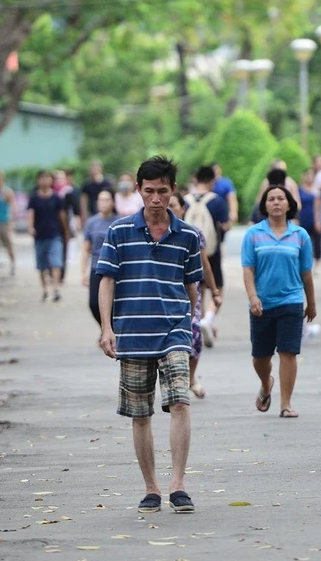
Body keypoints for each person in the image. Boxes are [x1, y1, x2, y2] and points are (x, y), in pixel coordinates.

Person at [96, 156, 204, 514]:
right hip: (132, 332)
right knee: (140, 413)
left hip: (174, 329)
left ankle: (178, 484)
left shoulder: (188, 235)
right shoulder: (118, 232)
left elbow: (193, 285)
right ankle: (151, 488)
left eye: (162, 191)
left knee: (180, 401)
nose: (156, 199)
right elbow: (107, 281)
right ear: (139, 191)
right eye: (149, 191)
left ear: (173, 190)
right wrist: (106, 327)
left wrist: (192, 323)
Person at [243, 185, 316, 418]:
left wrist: (311, 302)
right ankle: (266, 383)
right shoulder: (253, 234)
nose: (276, 202)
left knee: (288, 352)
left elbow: (306, 272)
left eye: (280, 199)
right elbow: (248, 270)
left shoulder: (300, 235)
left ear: (288, 204)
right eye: (271, 199)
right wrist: (253, 297)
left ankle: (285, 403)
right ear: (264, 205)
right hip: (262, 303)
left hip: (291, 300)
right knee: (260, 357)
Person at [168, 192, 222, 399]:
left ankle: (191, 378)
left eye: (174, 205)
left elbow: (205, 265)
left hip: (191, 289)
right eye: (168, 205)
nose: (170, 209)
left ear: (183, 208)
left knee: (194, 333)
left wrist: (215, 291)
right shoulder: (154, 232)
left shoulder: (193, 233)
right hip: (164, 291)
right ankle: (172, 380)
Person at [186, 166, 230, 347]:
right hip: (211, 249)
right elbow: (225, 225)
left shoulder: (185, 200)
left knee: (198, 289)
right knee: (217, 287)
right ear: (213, 181)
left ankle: (199, 322)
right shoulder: (217, 201)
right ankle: (208, 319)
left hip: (190, 251)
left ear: (196, 179)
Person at [27, 170, 68, 302]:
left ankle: (56, 289)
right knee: (42, 265)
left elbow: (62, 215)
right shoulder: (34, 198)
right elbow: (30, 213)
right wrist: (30, 227)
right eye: (42, 178)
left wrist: (66, 230)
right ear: (38, 180)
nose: (44, 181)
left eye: (47, 178)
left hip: (54, 234)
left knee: (56, 262)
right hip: (39, 235)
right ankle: (45, 289)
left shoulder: (56, 198)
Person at [81, 190, 119, 323]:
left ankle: (112, 331)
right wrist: (83, 272)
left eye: (107, 199)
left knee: (113, 304)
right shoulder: (92, 222)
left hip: (115, 269)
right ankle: (104, 328)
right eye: (101, 199)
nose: (103, 203)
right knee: (94, 304)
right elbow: (86, 249)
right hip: (96, 267)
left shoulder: (119, 222)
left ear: (113, 202)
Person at [298, 169, 321, 264]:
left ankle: (316, 263)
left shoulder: (316, 190)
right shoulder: (299, 189)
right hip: (303, 218)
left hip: (314, 218)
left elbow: (318, 206)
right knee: (303, 241)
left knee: (316, 242)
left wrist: (318, 220)